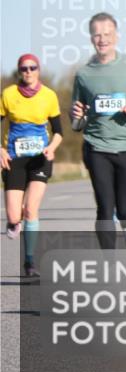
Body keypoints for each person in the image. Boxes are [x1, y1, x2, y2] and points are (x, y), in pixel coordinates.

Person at [71, 13, 126, 249]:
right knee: (104, 206)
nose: (102, 39)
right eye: (97, 34)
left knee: (124, 210)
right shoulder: (83, 74)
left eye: (107, 34)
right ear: (91, 38)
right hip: (96, 146)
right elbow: (76, 123)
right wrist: (77, 117)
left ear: (116, 36)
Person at [1, 54, 63, 277]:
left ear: (38, 70)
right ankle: (13, 223)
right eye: (24, 68)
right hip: (14, 159)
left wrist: (51, 148)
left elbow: (59, 132)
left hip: (40, 158)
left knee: (31, 210)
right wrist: (0, 150)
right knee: (13, 216)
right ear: (19, 71)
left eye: (32, 68)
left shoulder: (48, 96)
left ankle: (29, 262)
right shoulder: (8, 94)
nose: (28, 72)